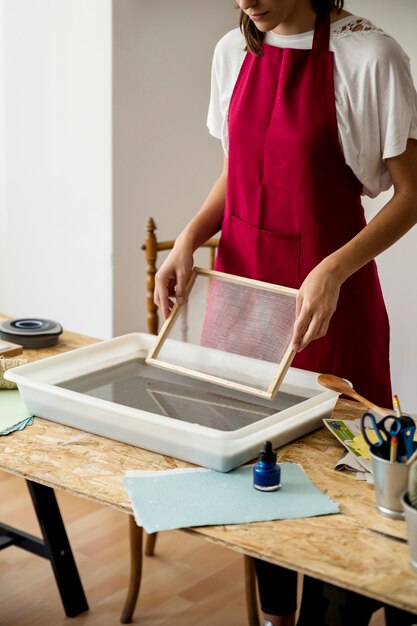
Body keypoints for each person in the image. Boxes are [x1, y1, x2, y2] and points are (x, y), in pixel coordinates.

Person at [154, 1, 417, 624]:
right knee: (259, 475)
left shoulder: (370, 56)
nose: (246, 0)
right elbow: (238, 172)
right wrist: (192, 236)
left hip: (330, 304)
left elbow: (412, 194)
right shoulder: (233, 51)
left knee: (340, 482)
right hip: (245, 300)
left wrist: (331, 269)